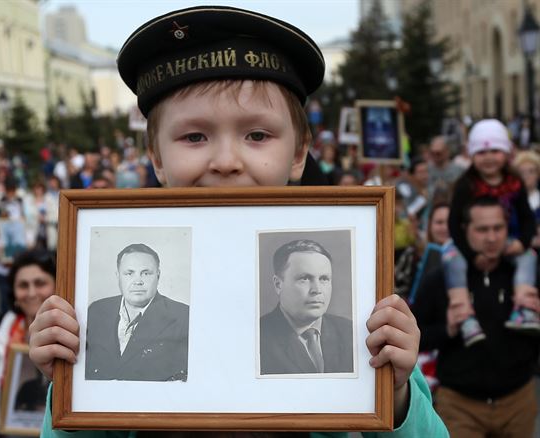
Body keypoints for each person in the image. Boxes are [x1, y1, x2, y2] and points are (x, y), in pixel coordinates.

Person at [29, 5, 448, 437]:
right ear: (156, 156)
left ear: (300, 153)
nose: (226, 161)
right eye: (194, 137)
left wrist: (395, 397)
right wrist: (69, 391)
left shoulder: (363, 306)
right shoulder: (103, 314)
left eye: (257, 135)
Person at [412, 197, 540, 437]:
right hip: (459, 404)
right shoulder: (439, 278)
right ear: (464, 231)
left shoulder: (529, 274)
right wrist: (447, 329)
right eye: (482, 229)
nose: (491, 238)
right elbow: (416, 338)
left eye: (498, 228)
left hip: (518, 400)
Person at [445, 119, 540, 347]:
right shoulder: (466, 185)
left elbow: (527, 218)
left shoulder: (514, 182)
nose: (488, 157)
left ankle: (524, 308)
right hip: (471, 244)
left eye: (495, 150)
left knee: (529, 257)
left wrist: (523, 242)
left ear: (506, 152)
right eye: (482, 151)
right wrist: (471, 255)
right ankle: (464, 313)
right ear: (472, 155)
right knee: (451, 258)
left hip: (506, 241)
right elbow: (453, 223)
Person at [0, 249, 56, 438]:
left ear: (56, 286)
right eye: (23, 285)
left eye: (40, 283)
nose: (31, 293)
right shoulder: (0, 325)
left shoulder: (71, 330)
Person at [85, 243, 188, 381]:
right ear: (118, 276)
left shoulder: (183, 316)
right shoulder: (96, 311)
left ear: (158, 276)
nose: (137, 281)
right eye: (129, 273)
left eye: (146, 273)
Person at [260, 239, 352, 374]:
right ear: (278, 284)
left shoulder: (349, 332)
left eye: (324, 279)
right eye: (304, 278)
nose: (317, 289)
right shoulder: (256, 338)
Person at [426, 136, 463, 200]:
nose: (435, 156)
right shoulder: (425, 170)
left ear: (447, 151)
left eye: (438, 153)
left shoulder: (460, 170)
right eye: (432, 153)